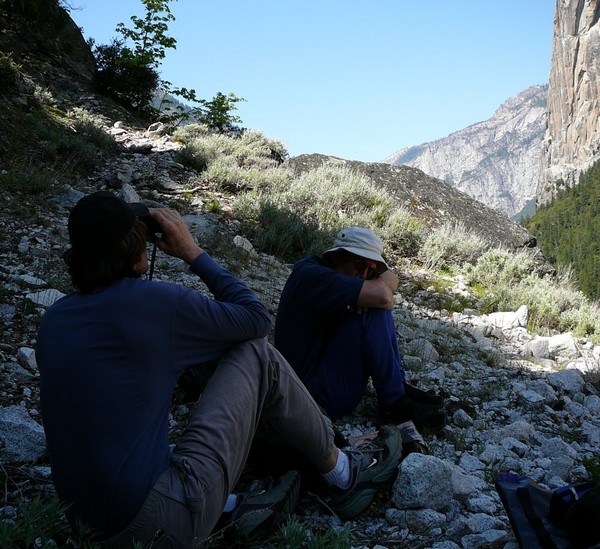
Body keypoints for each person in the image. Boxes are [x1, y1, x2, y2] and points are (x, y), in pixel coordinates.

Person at [36, 192, 404, 547]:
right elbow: (256, 320)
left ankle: (226, 507)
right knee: (257, 355)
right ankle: (344, 475)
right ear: (138, 257)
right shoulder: (155, 302)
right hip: (157, 525)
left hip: (85, 525)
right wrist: (191, 252)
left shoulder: (55, 320)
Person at [274, 226, 446, 430]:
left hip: (310, 379)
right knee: (374, 311)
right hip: (312, 395)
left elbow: (392, 279)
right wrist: (372, 290)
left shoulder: (320, 270)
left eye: (371, 270)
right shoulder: (316, 277)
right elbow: (384, 296)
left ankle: (398, 388)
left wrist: (373, 278)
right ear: (338, 257)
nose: (364, 275)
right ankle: (394, 404)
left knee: (372, 304)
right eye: (359, 264)